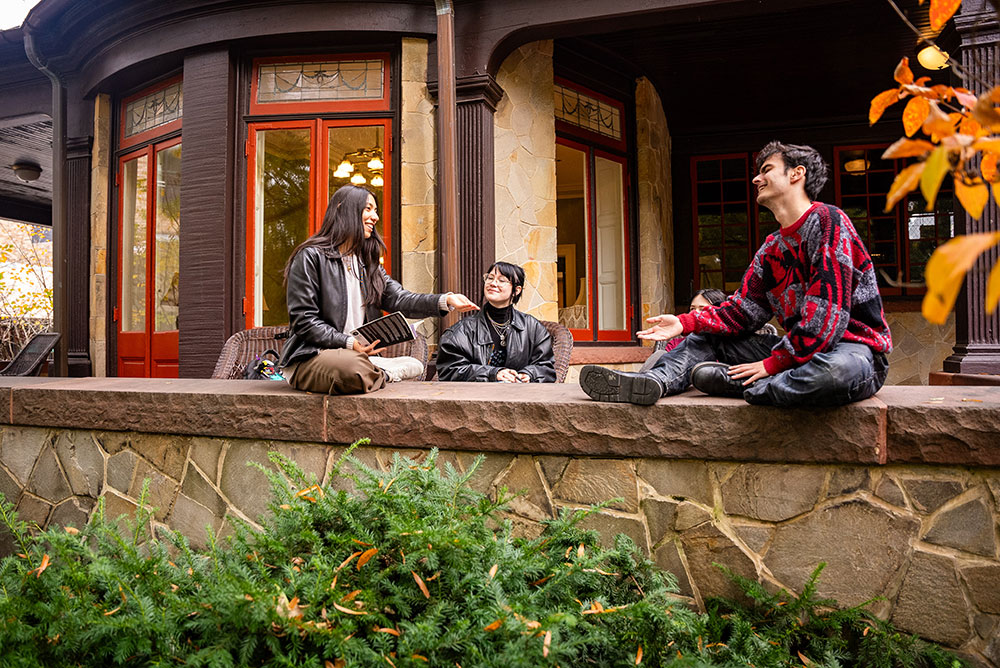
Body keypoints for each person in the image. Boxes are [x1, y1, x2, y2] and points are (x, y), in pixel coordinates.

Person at [580, 140, 892, 407]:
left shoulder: (828, 221)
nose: (757, 178)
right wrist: (685, 323)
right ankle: (652, 382)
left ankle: (747, 387)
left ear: (797, 174)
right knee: (707, 338)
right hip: (798, 355)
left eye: (766, 169)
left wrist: (772, 364)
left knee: (833, 373)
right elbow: (741, 312)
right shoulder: (771, 249)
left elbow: (827, 315)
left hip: (853, 351)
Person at [280, 185, 478, 394]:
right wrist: (348, 342)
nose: (375, 217)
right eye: (368, 209)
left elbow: (400, 299)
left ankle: (375, 372)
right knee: (353, 369)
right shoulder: (310, 257)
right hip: (312, 356)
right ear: (343, 209)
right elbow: (304, 320)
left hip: (356, 356)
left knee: (414, 365)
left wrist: (445, 300)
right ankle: (382, 373)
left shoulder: (367, 264)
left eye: (375, 211)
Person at [436, 261, 556, 382]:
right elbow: (449, 370)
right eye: (490, 278)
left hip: (520, 392)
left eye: (502, 280)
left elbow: (546, 368)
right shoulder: (462, 331)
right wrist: (492, 374)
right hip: (477, 393)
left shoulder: (532, 328)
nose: (493, 283)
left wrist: (529, 375)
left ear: (516, 290)